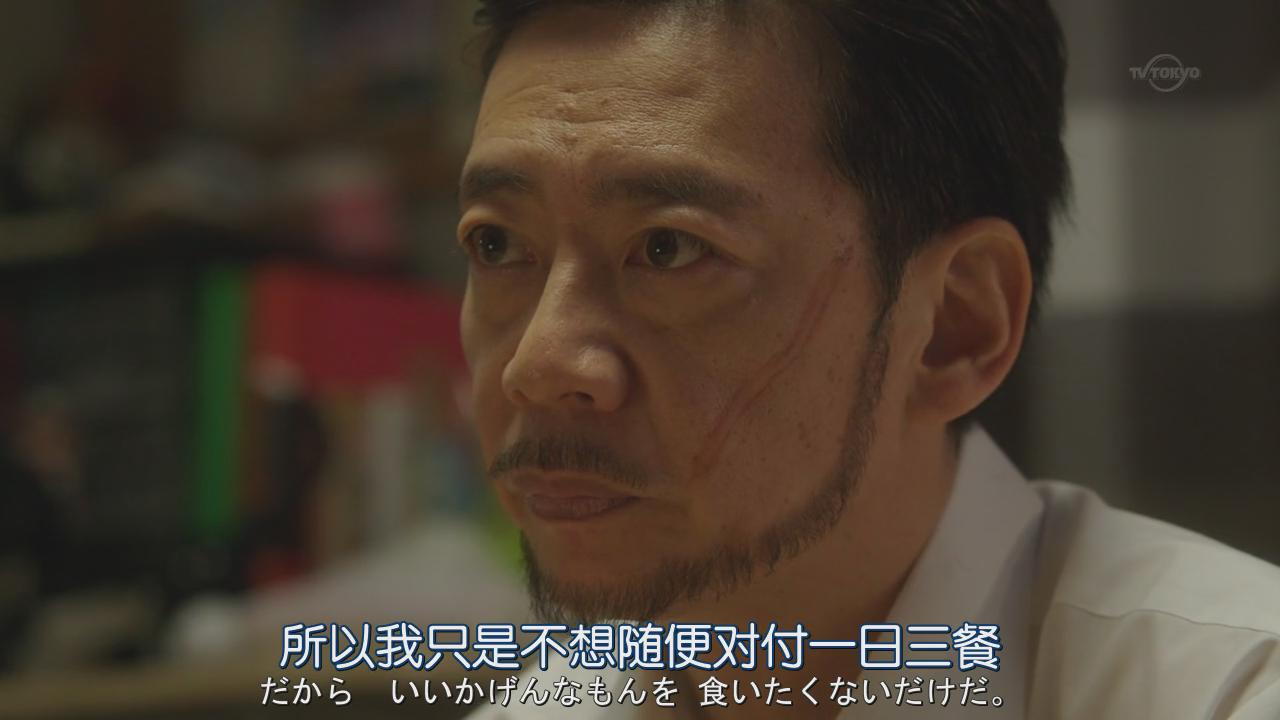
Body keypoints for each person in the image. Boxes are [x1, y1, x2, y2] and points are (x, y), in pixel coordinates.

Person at [453, 1, 1280, 717]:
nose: (538, 363)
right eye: (496, 244)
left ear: (953, 325)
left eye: (669, 248)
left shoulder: (1227, 690)